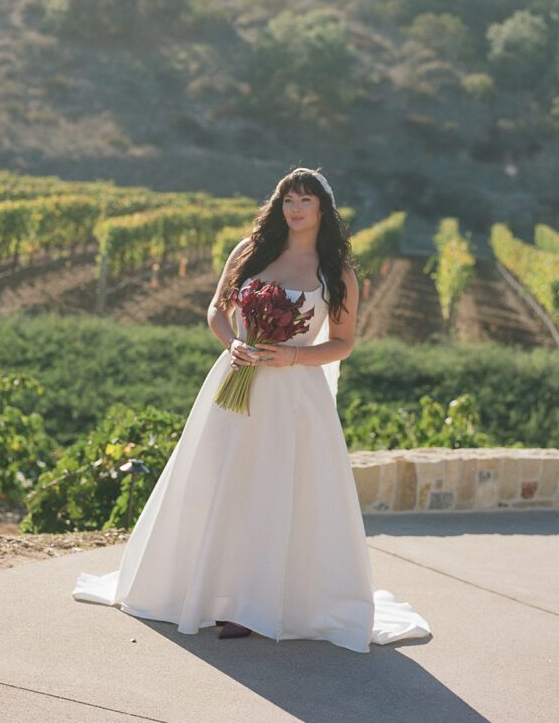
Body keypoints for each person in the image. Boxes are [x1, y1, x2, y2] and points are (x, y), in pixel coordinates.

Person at [72, 166, 431, 652]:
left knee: (273, 490)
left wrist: (294, 356)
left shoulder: (337, 274)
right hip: (233, 382)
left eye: (305, 200)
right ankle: (203, 589)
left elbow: (343, 343)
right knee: (218, 481)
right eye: (288, 200)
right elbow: (217, 308)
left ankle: (252, 602)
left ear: (323, 210)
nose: (296, 208)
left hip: (294, 397)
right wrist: (234, 343)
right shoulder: (249, 251)